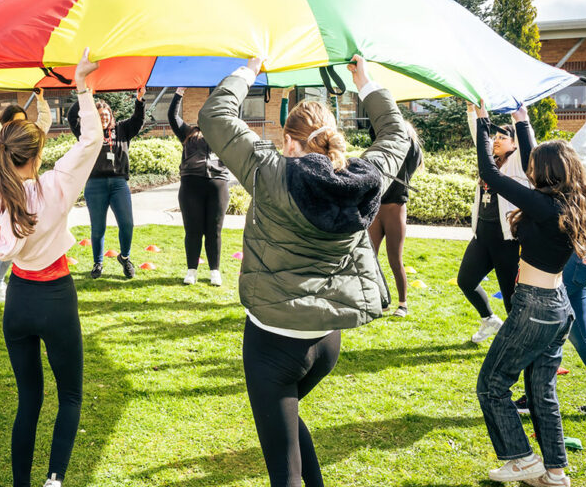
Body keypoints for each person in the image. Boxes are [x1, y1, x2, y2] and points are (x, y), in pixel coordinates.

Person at [198, 55, 408, 487]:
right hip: (326, 342)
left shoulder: (269, 173)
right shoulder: (367, 178)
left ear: (290, 142)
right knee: (289, 428)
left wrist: (248, 69)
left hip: (272, 344)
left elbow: (214, 114)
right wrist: (365, 82)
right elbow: (396, 134)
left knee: (283, 471)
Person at [0, 49, 102, 487]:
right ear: (35, 156)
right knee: (70, 395)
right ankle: (54, 479)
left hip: (17, 302)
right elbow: (90, 141)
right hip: (55, 298)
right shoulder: (54, 186)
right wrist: (82, 86)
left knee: (29, 400)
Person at [473, 100, 586, 487]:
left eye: (534, 166)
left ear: (544, 174)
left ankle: (521, 459)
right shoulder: (569, 202)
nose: (529, 168)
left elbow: (489, 172)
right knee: (541, 393)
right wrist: (522, 121)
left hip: (534, 307)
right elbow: (539, 158)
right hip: (557, 308)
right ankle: (554, 472)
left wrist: (482, 123)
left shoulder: (543, 206)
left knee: (492, 384)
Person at [514, 79, 586, 419]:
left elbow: (575, 153)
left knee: (566, 332)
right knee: (562, 331)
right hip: (584, 260)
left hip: (575, 262)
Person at [459, 102, 536, 343]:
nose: (497, 140)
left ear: (514, 143)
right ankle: (489, 320)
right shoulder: (490, 161)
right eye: (496, 136)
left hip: (508, 241)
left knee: (511, 298)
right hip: (482, 236)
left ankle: (523, 342)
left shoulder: (519, 164)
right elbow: (479, 137)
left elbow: (527, 140)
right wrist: (474, 111)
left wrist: (519, 119)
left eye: (504, 137)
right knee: (466, 281)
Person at [0, 84, 53, 302]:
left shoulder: (27, 138)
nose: (19, 125)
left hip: (27, 192)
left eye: (22, 121)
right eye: (14, 121)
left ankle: (19, 278)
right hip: (7, 193)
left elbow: (44, 123)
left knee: (25, 235)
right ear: (6, 123)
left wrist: (41, 100)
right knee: (10, 236)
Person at [67, 85, 145, 279]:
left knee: (127, 224)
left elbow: (138, 120)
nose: (104, 118)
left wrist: (139, 100)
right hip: (95, 185)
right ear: (95, 116)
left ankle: (125, 258)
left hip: (119, 183)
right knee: (98, 227)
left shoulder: (122, 130)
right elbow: (71, 117)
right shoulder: (88, 133)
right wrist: (84, 97)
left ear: (111, 115)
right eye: (100, 115)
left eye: (106, 114)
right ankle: (97, 263)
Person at [169, 87, 232, 286]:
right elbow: (172, 116)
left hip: (217, 185)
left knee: (214, 230)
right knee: (193, 230)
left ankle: (215, 271)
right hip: (191, 185)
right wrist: (179, 92)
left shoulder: (222, 133)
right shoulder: (188, 132)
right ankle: (191, 271)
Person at [368, 123, 423, 316]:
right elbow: (373, 132)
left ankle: (403, 304)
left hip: (395, 208)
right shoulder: (384, 146)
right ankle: (379, 301)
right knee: (370, 257)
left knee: (394, 259)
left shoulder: (411, 149)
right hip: (377, 208)